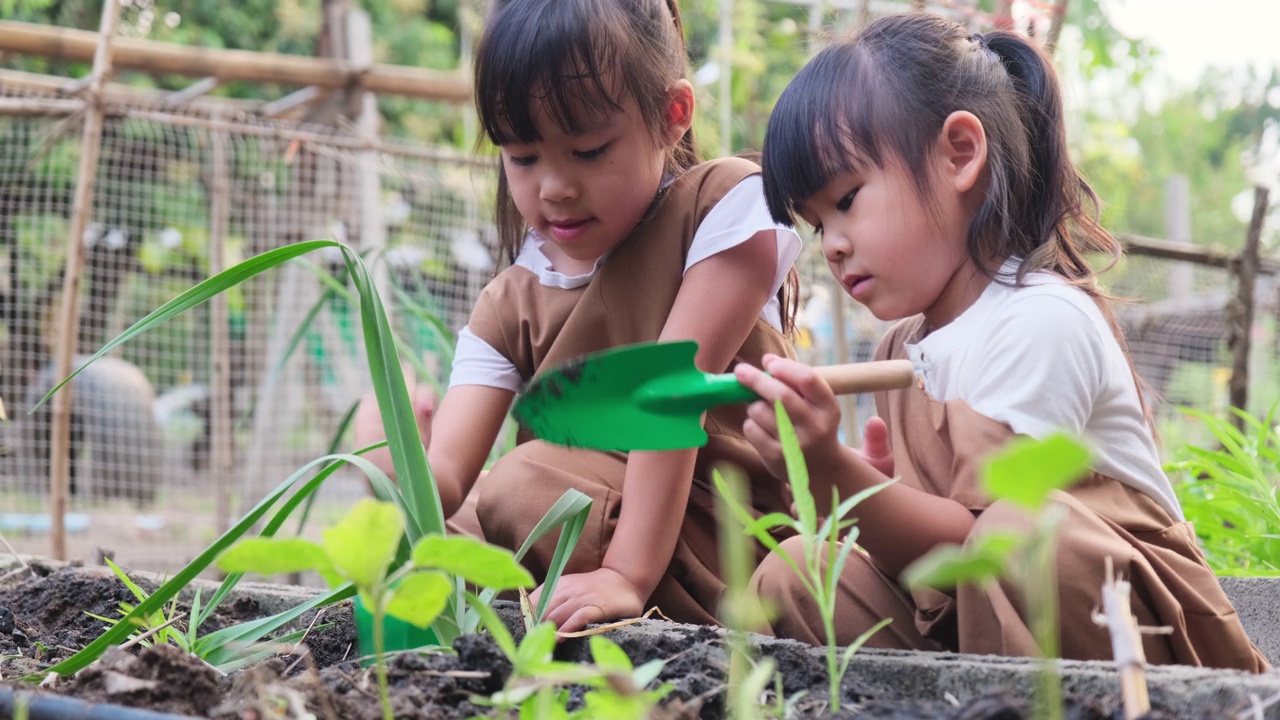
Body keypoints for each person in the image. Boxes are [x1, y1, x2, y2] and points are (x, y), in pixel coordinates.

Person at [733, 13, 1268, 671]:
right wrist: (864, 498)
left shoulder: (1037, 321)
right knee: (797, 569)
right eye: (816, 226)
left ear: (961, 153)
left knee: (1019, 536)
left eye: (846, 199)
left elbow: (987, 546)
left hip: (1136, 646)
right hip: (976, 631)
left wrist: (835, 474)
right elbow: (944, 565)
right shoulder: (900, 350)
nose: (834, 243)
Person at [354, 0, 802, 635]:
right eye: (524, 157)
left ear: (672, 115)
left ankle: (612, 597)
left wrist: (627, 571)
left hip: (723, 545)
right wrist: (397, 458)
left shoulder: (725, 209)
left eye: (589, 150)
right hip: (582, 530)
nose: (555, 186)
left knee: (520, 484)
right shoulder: (509, 303)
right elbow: (449, 477)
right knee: (451, 531)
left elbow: (668, 396)